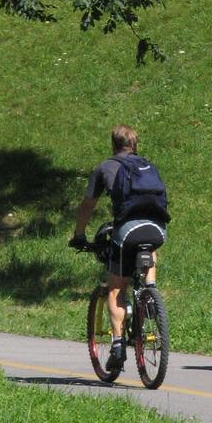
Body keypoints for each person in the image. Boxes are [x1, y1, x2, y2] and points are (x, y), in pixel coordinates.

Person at [70, 125, 169, 373]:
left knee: (116, 287)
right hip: (157, 228)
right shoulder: (148, 166)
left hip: (128, 231)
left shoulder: (105, 167)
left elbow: (87, 205)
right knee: (149, 247)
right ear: (134, 144)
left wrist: (79, 235)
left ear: (113, 144)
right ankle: (150, 291)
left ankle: (116, 346)